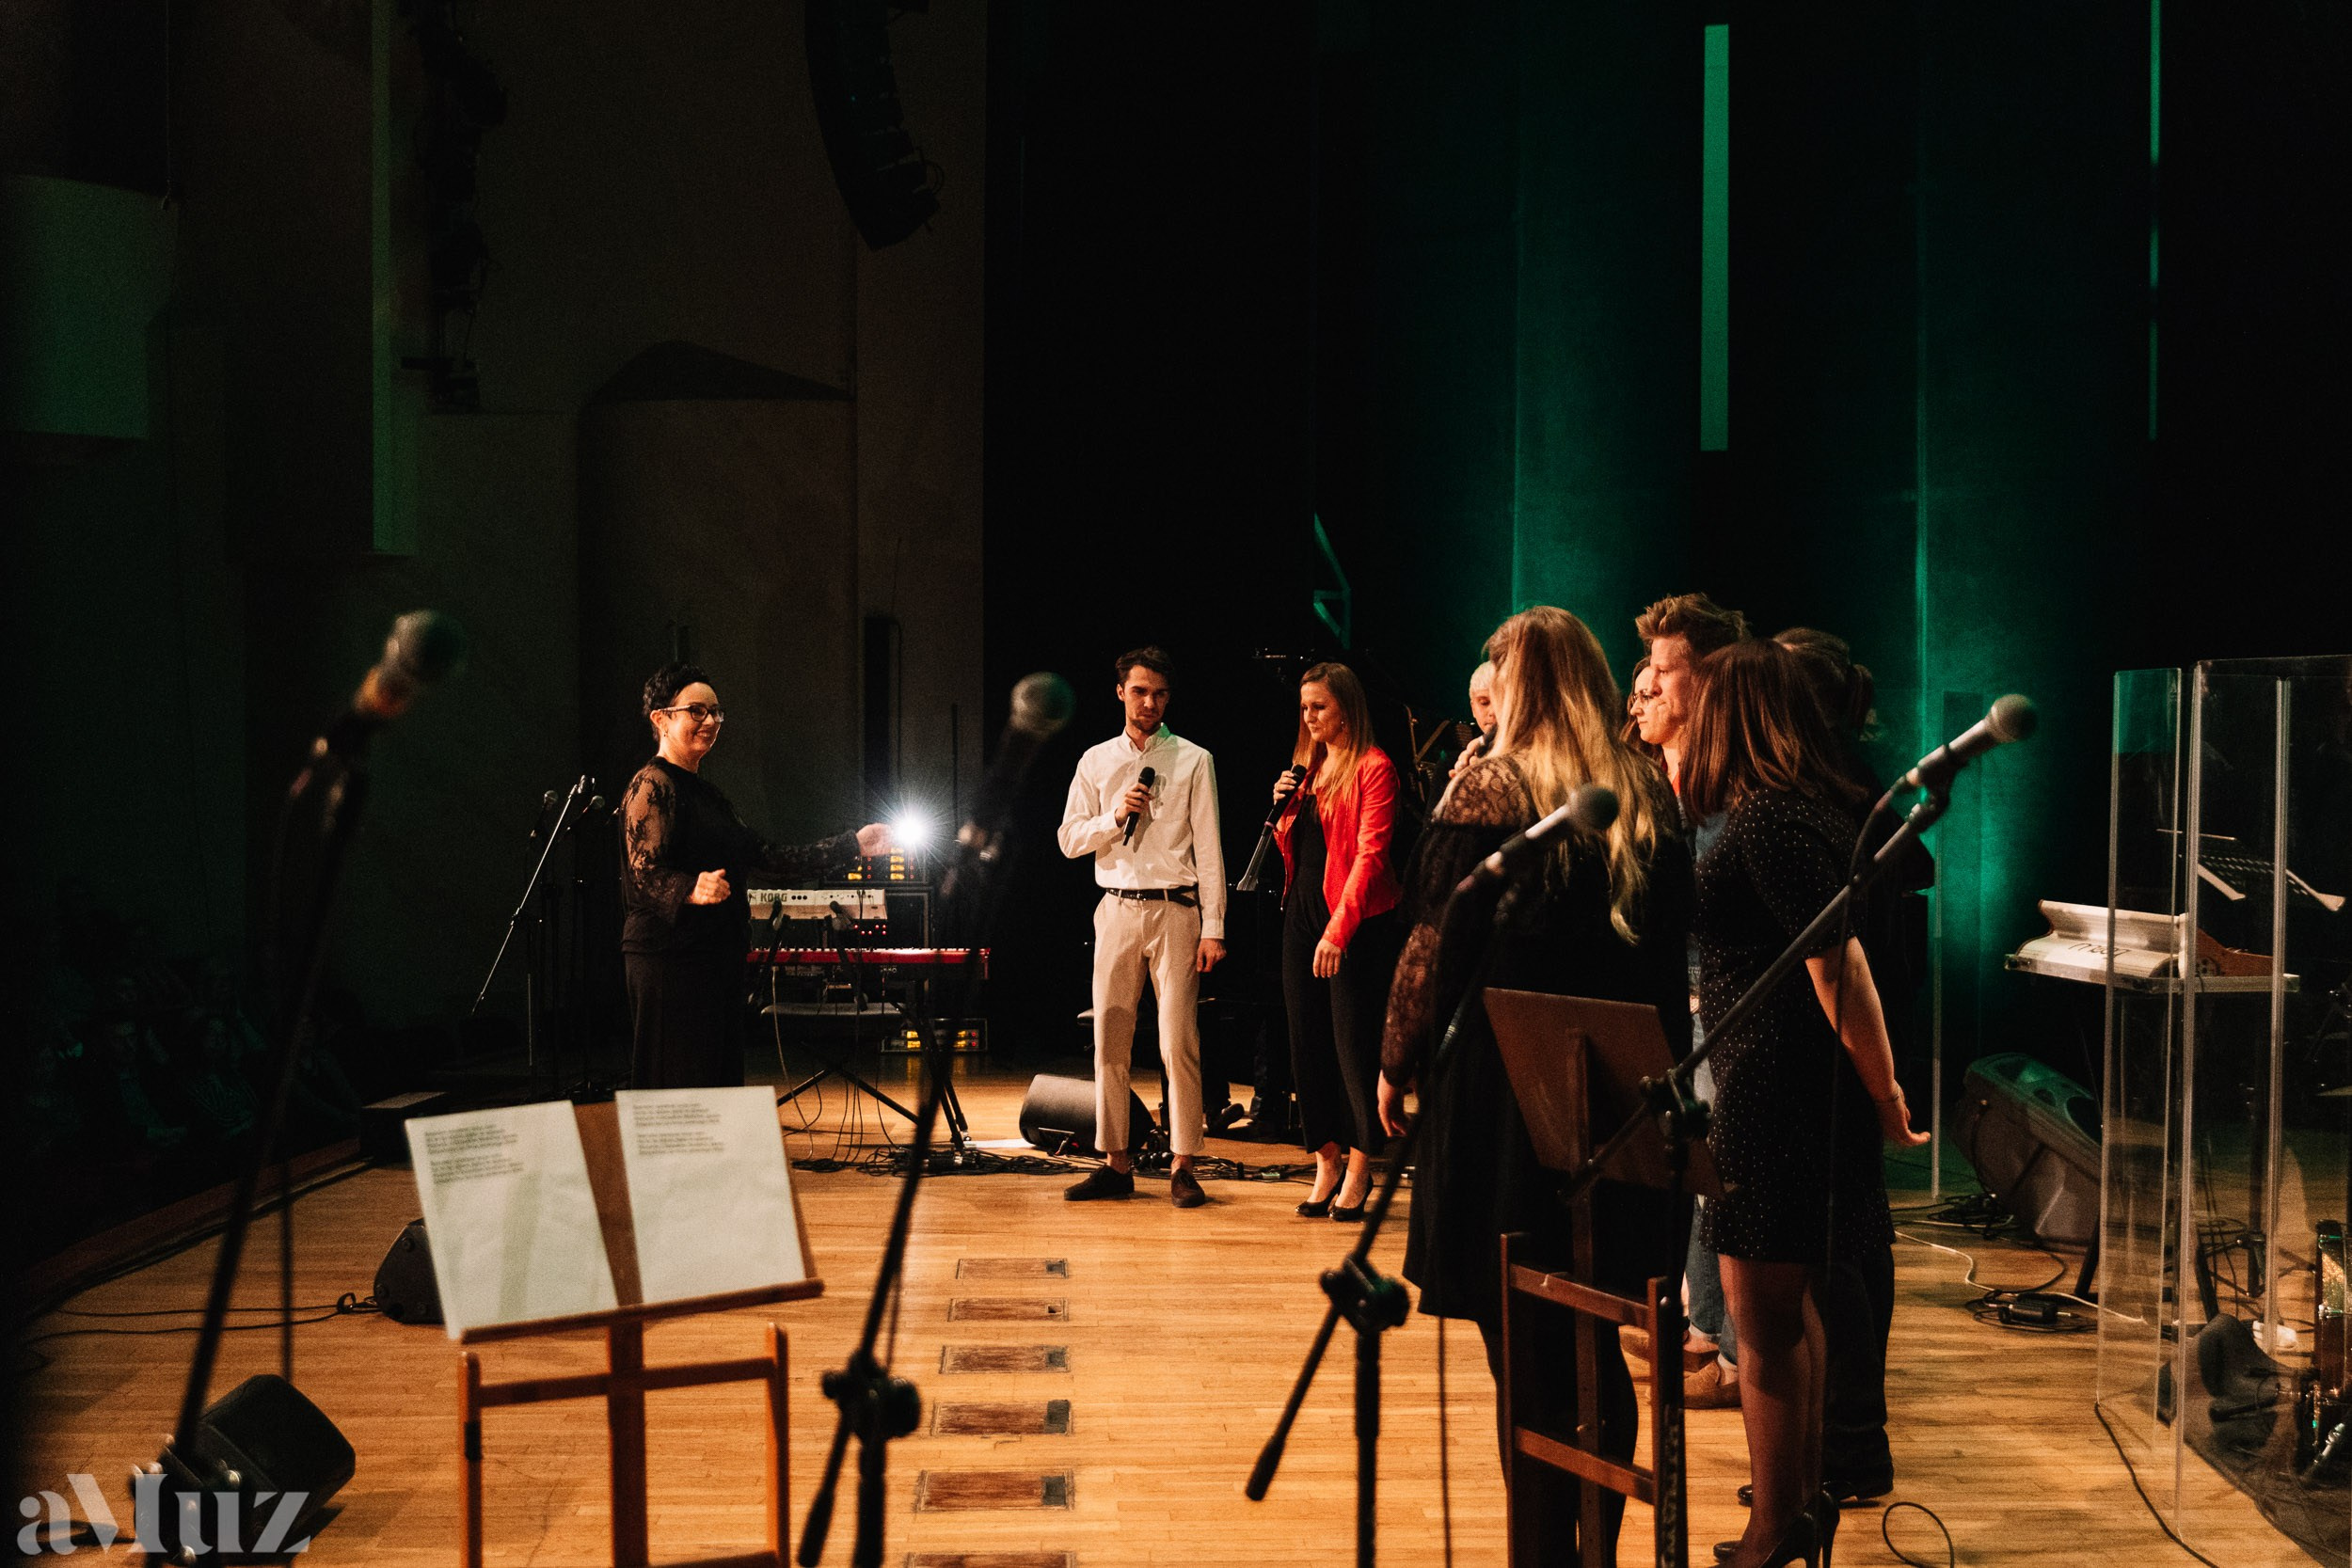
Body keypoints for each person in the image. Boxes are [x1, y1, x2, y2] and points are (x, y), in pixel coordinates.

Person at [1378, 606, 1692, 1563]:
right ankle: (1593, 1545)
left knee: (1522, 1343)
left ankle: (1544, 1554)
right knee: (1596, 1342)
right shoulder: (1642, 788)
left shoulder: (1490, 789)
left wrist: (1395, 1060)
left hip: (1507, 1103)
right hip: (1625, 1096)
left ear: (1517, 689)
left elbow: (1433, 940)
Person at [1679, 640, 1929, 1568]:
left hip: (1773, 1096)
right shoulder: (1796, 811)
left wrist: (1887, 1090)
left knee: (1767, 1324)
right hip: (1780, 1086)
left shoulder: (1770, 822)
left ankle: (1774, 1526)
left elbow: (1840, 964)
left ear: (1734, 716)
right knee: (1792, 1312)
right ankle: (1800, 1503)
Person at [1770, 626, 1931, 1507]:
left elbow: (1846, 953)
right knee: (1856, 1238)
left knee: (1837, 1250)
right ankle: (1854, 1447)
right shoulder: (1845, 782)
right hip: (1847, 1035)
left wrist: (1881, 1079)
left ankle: (1850, 1448)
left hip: (1833, 1039)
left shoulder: (1822, 791)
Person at [619, 663, 893, 1090]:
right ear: (661, 718)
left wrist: (853, 845)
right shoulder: (651, 784)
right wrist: (691, 888)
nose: (710, 722)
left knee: (716, 1084)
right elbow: (643, 873)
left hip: (716, 957)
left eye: (716, 712)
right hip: (669, 960)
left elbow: (768, 856)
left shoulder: (710, 797)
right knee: (675, 1085)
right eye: (696, 711)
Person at [1057, 646, 1228, 1209]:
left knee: (1178, 1039)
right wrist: (1115, 816)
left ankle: (1183, 1164)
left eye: (1158, 693)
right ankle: (1116, 1163)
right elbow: (1069, 840)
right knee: (1110, 1037)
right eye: (1139, 691)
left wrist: (1215, 926)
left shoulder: (1193, 759)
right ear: (1120, 693)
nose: (1149, 702)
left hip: (1176, 910)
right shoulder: (1096, 761)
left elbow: (1209, 848)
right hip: (1116, 908)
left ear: (1168, 698)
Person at [1269, 662, 1404, 1221]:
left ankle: (1360, 1161)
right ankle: (1324, 1154)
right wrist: (1282, 806)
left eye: (1319, 707)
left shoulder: (1376, 769)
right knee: (1306, 1040)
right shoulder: (1311, 767)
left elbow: (1370, 859)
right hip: (1301, 910)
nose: (1309, 717)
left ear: (1346, 706)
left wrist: (1338, 930)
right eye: (1304, 708)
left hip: (1353, 920)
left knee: (1353, 1047)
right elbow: (1297, 846)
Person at [1448, 659, 1500, 781]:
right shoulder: (1450, 763)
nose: (1492, 712)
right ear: (1473, 708)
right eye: (1484, 703)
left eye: (1500, 701)